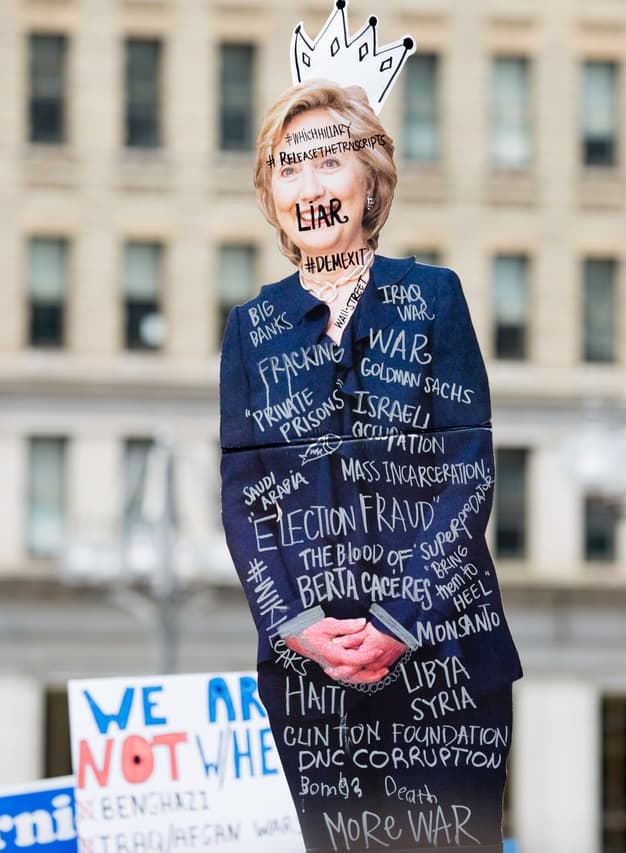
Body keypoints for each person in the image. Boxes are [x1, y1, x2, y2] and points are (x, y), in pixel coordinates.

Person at [220, 79, 522, 852]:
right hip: (311, 676)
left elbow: (469, 472)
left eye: (329, 162)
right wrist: (293, 625)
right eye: (289, 167)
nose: (311, 186)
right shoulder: (252, 328)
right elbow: (246, 500)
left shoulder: (432, 298)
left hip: (446, 657)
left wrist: (400, 621)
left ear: (370, 182)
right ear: (271, 192)